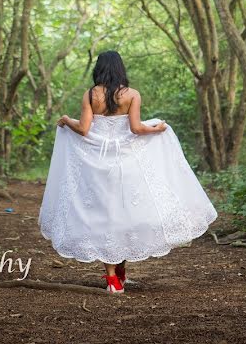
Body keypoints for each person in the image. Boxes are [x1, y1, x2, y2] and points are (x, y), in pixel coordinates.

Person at [38, 50, 218, 294]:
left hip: (96, 163)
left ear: (99, 69)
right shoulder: (132, 95)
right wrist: (158, 129)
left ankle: (112, 277)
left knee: (104, 216)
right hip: (127, 162)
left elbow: (83, 129)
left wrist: (66, 120)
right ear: (120, 68)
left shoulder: (91, 95)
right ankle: (120, 271)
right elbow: (135, 129)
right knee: (126, 214)